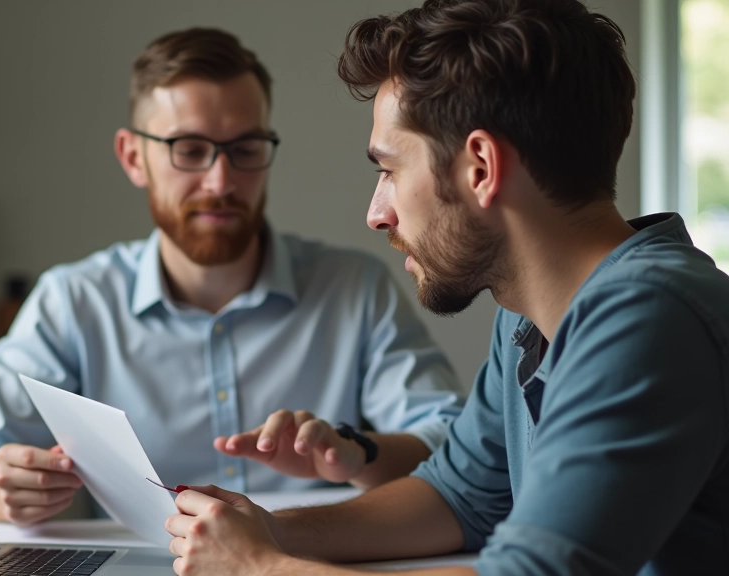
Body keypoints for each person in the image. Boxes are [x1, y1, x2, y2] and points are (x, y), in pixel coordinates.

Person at [164, 2, 729, 575]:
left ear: (480, 168)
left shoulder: (649, 317)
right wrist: (270, 531)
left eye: (389, 170)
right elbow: (457, 497)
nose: (376, 214)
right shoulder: (529, 315)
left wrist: (259, 568)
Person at [0, 27, 463, 527]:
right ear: (133, 156)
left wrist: (355, 454)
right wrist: (4, 488)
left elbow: (451, 440)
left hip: (304, 560)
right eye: (189, 150)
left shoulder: (355, 289)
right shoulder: (75, 300)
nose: (221, 181)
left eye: (245, 149)